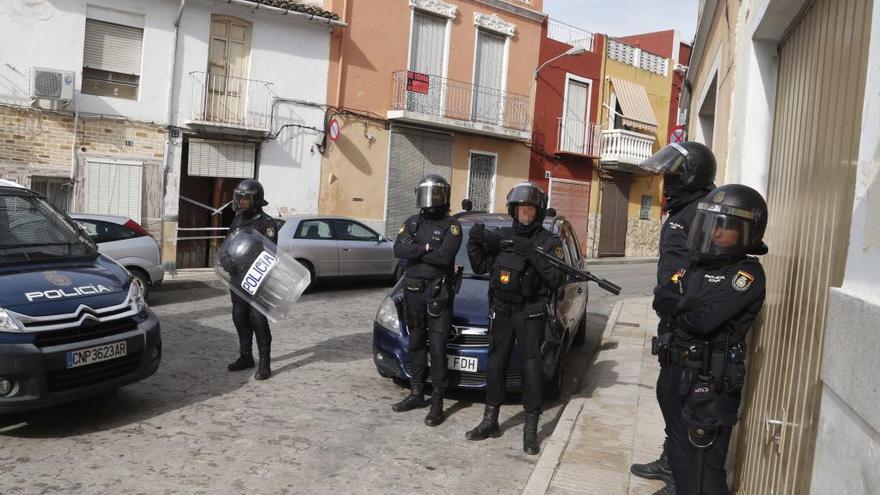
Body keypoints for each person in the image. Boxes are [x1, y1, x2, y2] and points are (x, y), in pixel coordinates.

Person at [652, 184, 768, 494]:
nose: (716, 232)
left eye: (726, 226)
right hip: (676, 375)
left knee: (706, 471)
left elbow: (703, 321)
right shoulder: (696, 265)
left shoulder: (746, 275)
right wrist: (682, 307)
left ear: (747, 232)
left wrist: (680, 307)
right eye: (713, 224)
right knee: (681, 462)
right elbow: (660, 298)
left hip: (708, 388)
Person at [633, 141, 718, 493]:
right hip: (672, 319)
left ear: (693, 175)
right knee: (668, 394)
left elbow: (705, 272)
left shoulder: (703, 212)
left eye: (675, 174)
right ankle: (671, 459)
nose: (668, 181)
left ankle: (681, 477)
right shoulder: (683, 210)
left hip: (690, 322)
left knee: (684, 403)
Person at [465, 182, 564, 455]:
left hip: (530, 312)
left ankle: (530, 429)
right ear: (513, 210)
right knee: (496, 362)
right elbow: (481, 266)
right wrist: (474, 242)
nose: (526, 214)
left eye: (530, 209)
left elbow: (556, 278)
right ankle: (490, 420)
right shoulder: (503, 237)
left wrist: (531, 253)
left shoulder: (548, 242)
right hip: (502, 310)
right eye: (521, 209)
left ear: (538, 211)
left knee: (532, 369)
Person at [392, 174, 462, 427]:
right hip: (413, 293)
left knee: (438, 348)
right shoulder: (412, 222)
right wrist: (426, 249)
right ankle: (417, 393)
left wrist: (417, 253)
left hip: (437, 294)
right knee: (416, 344)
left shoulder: (451, 226)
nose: (431, 200)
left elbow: (445, 258)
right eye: (427, 194)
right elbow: (398, 250)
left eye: (436, 194)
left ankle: (437, 403)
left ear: (445, 196)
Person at [225, 179, 278, 380]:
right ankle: (245, 356)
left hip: (258, 279)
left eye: (244, 198)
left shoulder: (267, 223)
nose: (240, 202)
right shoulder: (237, 219)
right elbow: (229, 244)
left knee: (257, 319)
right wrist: (226, 260)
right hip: (237, 278)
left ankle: (265, 362)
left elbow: (269, 253)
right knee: (239, 316)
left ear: (255, 200)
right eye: (238, 197)